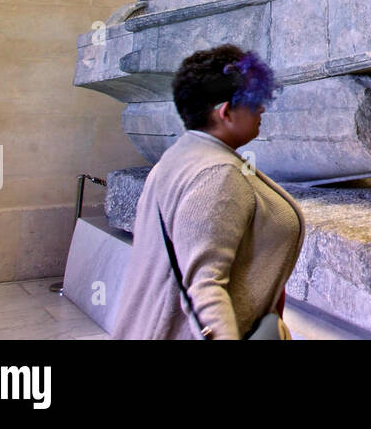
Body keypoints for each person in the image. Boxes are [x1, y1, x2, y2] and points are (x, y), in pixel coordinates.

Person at [111, 46, 304, 339]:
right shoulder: (217, 173)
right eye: (253, 103)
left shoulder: (181, 155)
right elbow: (206, 286)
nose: (261, 109)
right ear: (225, 112)